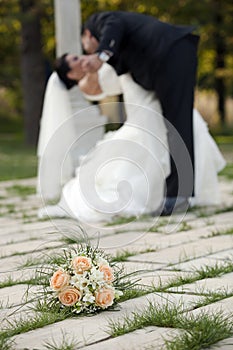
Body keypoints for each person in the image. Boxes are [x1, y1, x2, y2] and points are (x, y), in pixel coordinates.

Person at [37, 56, 225, 222]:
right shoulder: (88, 83)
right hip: (141, 111)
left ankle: (186, 192)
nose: (81, 58)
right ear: (71, 74)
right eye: (75, 60)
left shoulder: (103, 62)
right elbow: (109, 84)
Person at [79, 11, 200, 215]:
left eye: (84, 44)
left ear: (88, 34)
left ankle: (178, 196)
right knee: (174, 127)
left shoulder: (101, 22)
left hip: (172, 53)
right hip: (167, 62)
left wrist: (100, 57)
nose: (85, 50)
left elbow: (113, 22)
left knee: (178, 125)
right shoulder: (122, 45)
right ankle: (178, 195)